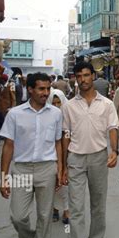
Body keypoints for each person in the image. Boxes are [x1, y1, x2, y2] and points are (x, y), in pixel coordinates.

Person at [0, 72, 63, 238]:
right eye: (41, 89)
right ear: (30, 89)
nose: (46, 93)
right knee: (18, 217)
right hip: (21, 169)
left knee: (44, 216)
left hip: (47, 168)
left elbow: (58, 143)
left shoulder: (56, 114)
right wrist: (3, 177)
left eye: (48, 88)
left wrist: (60, 169)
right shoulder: (15, 114)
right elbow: (8, 146)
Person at [61, 61, 119, 238]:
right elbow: (66, 135)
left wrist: (114, 150)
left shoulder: (107, 104)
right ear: (75, 79)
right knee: (76, 206)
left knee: (98, 203)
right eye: (79, 76)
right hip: (75, 158)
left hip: (98, 157)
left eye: (86, 75)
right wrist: (63, 165)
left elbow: (112, 128)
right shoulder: (68, 106)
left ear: (93, 76)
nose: (83, 79)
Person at [47, 89, 70, 224]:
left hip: (67, 153)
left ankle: (66, 210)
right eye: (53, 103)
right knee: (53, 182)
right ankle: (55, 209)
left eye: (58, 103)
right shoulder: (47, 117)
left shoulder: (68, 115)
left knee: (66, 183)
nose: (56, 106)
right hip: (52, 154)